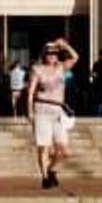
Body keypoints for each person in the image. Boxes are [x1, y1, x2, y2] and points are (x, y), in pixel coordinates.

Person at [26, 41, 73, 189]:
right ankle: (45, 177)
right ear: (44, 55)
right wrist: (30, 111)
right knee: (44, 146)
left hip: (58, 110)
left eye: (54, 54)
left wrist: (64, 45)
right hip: (42, 108)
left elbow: (75, 57)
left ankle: (51, 169)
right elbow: (30, 92)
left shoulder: (60, 68)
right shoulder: (37, 69)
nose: (51, 57)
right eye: (49, 54)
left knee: (64, 150)